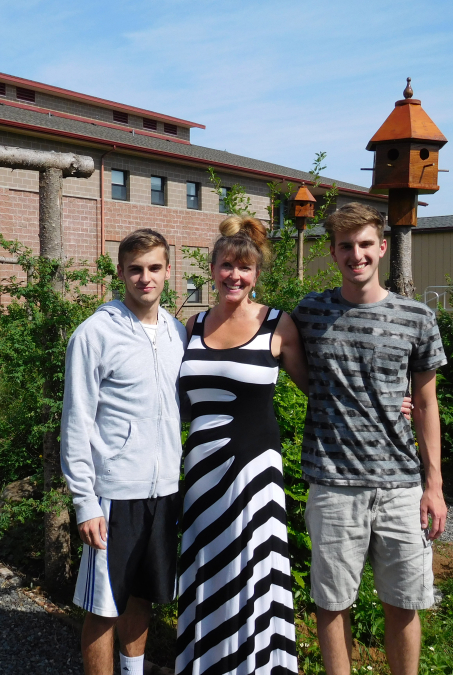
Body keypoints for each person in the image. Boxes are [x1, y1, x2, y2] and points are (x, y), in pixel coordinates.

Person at [291, 202, 448, 675]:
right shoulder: (310, 313)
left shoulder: (416, 317)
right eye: (345, 246)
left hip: (401, 486)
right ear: (333, 252)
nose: (355, 255)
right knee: (332, 601)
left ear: (381, 247)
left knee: (404, 602)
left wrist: (433, 486)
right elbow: (288, 360)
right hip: (333, 483)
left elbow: (425, 404)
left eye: (364, 245)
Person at [176, 216, 304, 675]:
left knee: (252, 569)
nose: (235, 275)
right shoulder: (189, 326)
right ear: (211, 269)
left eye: (244, 268)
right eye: (227, 265)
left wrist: (390, 403)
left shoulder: (277, 323)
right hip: (201, 475)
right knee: (209, 568)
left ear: (256, 275)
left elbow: (322, 390)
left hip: (254, 474)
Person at [61, 228, 187, 675]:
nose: (145, 278)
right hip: (113, 493)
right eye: (135, 269)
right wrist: (85, 502)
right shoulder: (94, 334)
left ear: (168, 272)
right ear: (120, 273)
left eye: (154, 268)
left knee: (141, 595)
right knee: (103, 606)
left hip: (165, 489)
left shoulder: (177, 332)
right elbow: (76, 423)